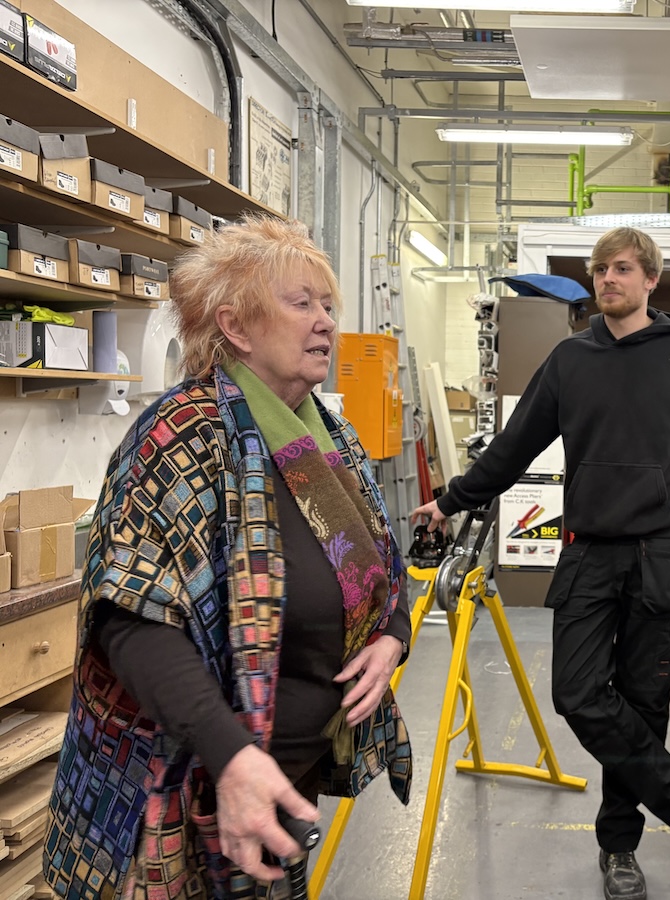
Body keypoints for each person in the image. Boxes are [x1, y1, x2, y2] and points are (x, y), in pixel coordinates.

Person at [43, 215, 414, 900]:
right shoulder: (181, 437)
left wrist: (393, 636)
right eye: (301, 303)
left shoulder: (325, 440)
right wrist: (232, 755)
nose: (326, 321)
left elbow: (386, 570)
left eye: (327, 304)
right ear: (236, 328)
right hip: (184, 793)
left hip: (279, 788)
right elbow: (130, 617)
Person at [413, 226, 670, 900]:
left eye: (622, 268)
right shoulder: (569, 360)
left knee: (643, 709)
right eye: (600, 269)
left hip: (658, 557)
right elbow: (514, 448)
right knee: (578, 695)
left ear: (650, 280)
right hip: (584, 556)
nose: (608, 279)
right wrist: (450, 501)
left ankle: (619, 851)